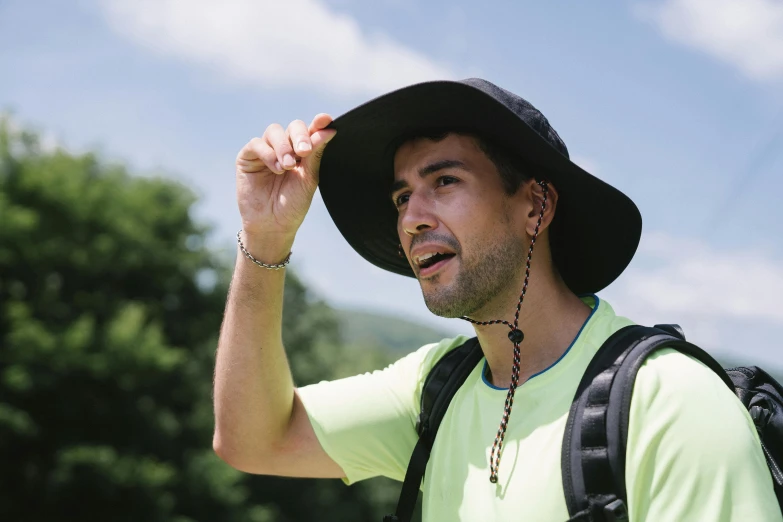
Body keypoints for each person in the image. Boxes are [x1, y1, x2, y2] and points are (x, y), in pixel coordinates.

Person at [212, 79, 781, 521]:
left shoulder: (669, 404)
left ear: (536, 206)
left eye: (444, 182)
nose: (411, 218)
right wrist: (265, 238)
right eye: (402, 196)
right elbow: (252, 439)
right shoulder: (433, 393)